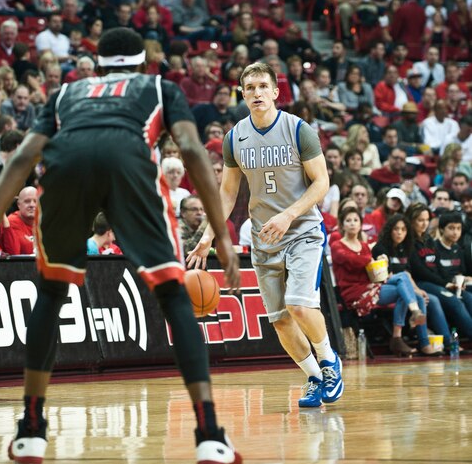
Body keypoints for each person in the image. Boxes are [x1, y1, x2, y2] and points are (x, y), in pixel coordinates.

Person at [0, 28, 241, 464]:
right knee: (172, 293)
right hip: (129, 160)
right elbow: (190, 148)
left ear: (100, 63)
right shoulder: (159, 87)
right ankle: (209, 435)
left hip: (65, 163)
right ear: (144, 61)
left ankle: (31, 429)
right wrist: (222, 235)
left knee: (51, 293)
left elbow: (19, 160)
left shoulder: (66, 93)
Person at [188, 61, 343, 409]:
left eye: (263, 87)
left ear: (275, 92)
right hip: (263, 236)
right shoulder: (235, 137)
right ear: (242, 95)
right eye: (250, 88)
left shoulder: (299, 129)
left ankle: (330, 362)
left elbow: (322, 182)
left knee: (299, 304)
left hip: (302, 229)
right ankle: (314, 378)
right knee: (281, 321)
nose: (257, 93)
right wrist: (208, 235)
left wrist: (289, 215)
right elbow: (227, 194)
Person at [330, 207, 427, 357]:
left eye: (355, 220)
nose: (352, 224)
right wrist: (371, 260)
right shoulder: (337, 246)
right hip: (353, 293)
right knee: (403, 281)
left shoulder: (363, 246)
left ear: (361, 224)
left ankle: (399, 334)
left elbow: (373, 274)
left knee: (403, 282)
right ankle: (405, 326)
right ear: (342, 225)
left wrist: (381, 264)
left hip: (371, 285)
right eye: (348, 220)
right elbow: (352, 261)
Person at [371, 214, 445, 355]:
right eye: (396, 229)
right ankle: (415, 315)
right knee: (405, 283)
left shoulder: (404, 248)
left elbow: (408, 274)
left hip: (399, 287)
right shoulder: (380, 248)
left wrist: (417, 289)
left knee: (417, 296)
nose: (400, 233)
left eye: (403, 229)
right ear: (389, 230)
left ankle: (422, 343)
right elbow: (386, 276)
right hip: (379, 288)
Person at [407, 203, 472, 350]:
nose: (424, 224)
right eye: (420, 220)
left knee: (467, 297)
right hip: (421, 283)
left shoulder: (428, 240)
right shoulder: (409, 242)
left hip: (436, 281)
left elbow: (438, 266)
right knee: (453, 301)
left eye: (426, 220)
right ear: (412, 221)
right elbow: (420, 271)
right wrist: (445, 284)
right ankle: (449, 342)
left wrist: (450, 282)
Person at [7, 186, 37, 255]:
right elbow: (26, 249)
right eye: (27, 201)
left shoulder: (45, 221)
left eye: (36, 201)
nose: (32, 205)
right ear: (19, 204)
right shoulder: (11, 222)